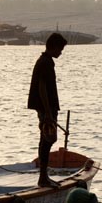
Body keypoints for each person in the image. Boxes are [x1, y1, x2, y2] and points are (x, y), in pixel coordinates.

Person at [27, 32, 67, 188]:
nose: (61, 53)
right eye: (60, 49)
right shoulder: (45, 62)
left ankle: (44, 175)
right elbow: (42, 87)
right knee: (47, 139)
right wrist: (48, 112)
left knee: (47, 139)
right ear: (54, 47)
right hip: (46, 108)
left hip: (47, 107)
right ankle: (43, 177)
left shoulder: (46, 61)